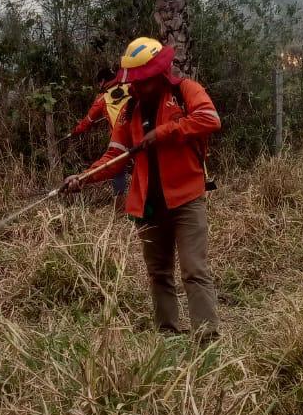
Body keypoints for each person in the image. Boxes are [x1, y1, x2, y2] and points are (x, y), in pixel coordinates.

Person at [62, 37, 223, 338]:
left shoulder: (185, 90)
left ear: (159, 75)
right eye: (136, 81)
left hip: (187, 197)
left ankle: (207, 339)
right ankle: (167, 334)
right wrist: (83, 178)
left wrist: (165, 132)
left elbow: (209, 118)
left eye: (144, 80)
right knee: (158, 273)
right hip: (148, 203)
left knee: (193, 270)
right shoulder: (129, 109)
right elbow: (115, 155)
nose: (139, 87)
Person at [69, 68, 133, 197]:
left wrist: (74, 132)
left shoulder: (102, 98)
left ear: (103, 81)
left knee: (117, 168)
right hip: (141, 133)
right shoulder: (131, 86)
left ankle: (119, 208)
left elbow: (88, 120)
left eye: (99, 83)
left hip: (120, 139)